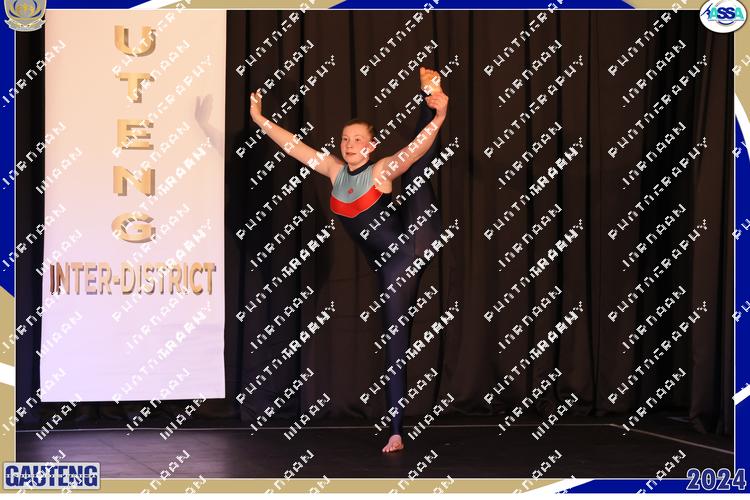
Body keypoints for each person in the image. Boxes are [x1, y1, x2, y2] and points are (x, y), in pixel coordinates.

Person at [248, 67, 449, 453]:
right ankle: (396, 431)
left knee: (418, 172)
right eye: (345, 138)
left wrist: (439, 117)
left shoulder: (380, 170)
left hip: (409, 248)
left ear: (371, 145)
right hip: (385, 264)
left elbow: (415, 149)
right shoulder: (334, 171)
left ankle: (430, 96)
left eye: (358, 139)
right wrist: (259, 119)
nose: (350, 144)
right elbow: (294, 146)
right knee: (393, 339)